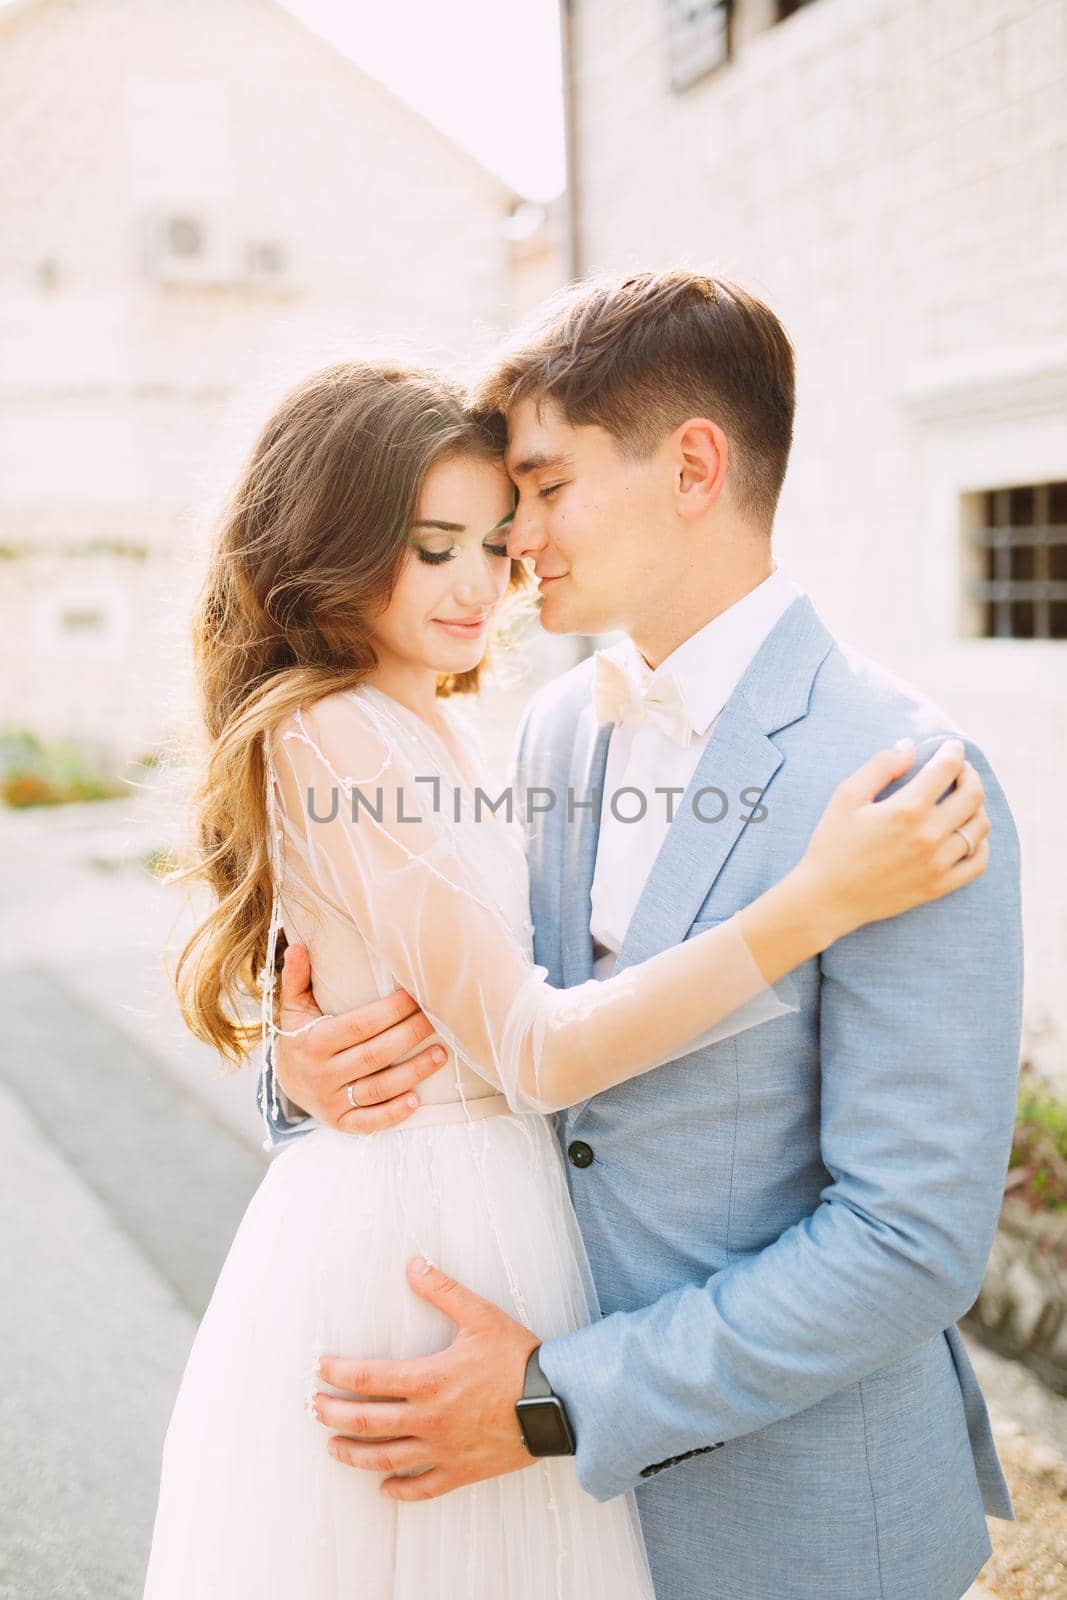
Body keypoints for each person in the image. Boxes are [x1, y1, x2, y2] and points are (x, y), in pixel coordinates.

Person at [270, 275, 1023, 1600]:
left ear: (692, 465)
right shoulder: (554, 731)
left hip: (800, 1530)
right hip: (546, 1536)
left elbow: (909, 1241)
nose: (516, 544)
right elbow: (481, 1013)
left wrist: (554, 1401)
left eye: (546, 491)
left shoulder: (905, 780)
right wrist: (304, 1073)